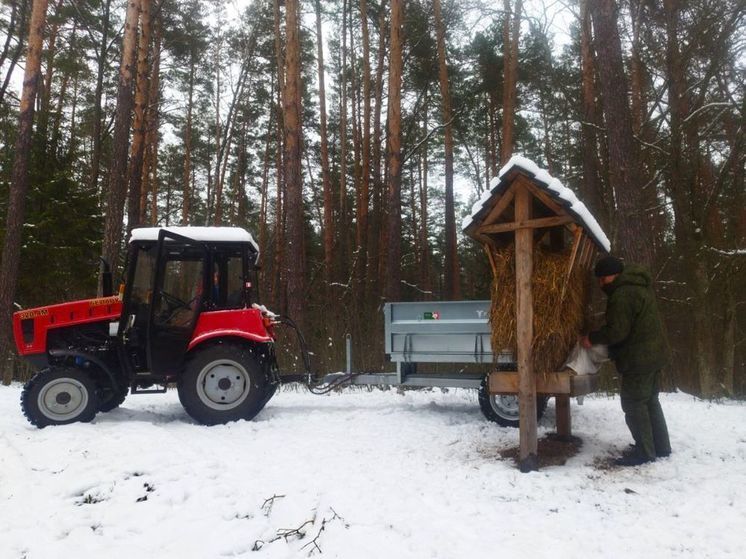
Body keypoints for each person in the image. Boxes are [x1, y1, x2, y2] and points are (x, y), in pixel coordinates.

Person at [580, 255, 671, 466]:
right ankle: (661, 446)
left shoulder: (622, 294)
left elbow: (618, 331)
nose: (602, 284)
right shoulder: (638, 287)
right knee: (649, 401)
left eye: (604, 279)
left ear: (615, 275)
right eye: (599, 280)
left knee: (633, 402)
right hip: (654, 355)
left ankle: (644, 452)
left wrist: (591, 338)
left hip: (640, 359)